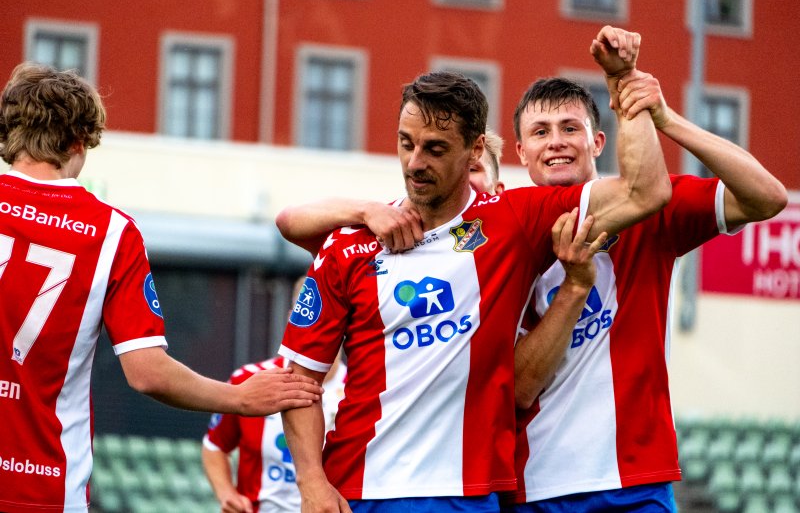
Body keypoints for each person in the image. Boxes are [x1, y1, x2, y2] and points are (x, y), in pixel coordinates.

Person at [277, 27, 671, 513]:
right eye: (406, 144)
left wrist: (621, 82)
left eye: (435, 149)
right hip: (361, 491)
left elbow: (645, 191)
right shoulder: (350, 243)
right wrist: (311, 483)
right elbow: (298, 379)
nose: (414, 163)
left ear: (474, 149)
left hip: (472, 494)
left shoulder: (513, 221)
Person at [0, 63, 322, 513]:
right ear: (78, 141)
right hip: (45, 486)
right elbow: (147, 372)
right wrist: (240, 398)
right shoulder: (111, 231)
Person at [504, 32, 788, 511]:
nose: (556, 143)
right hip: (539, 483)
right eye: (540, 132)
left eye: (570, 128)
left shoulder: (653, 210)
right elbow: (520, 388)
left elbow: (769, 196)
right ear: (520, 152)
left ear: (598, 142)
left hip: (638, 479)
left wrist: (664, 117)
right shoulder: (504, 231)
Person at [202, 277, 347, 513]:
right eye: (314, 313)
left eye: (334, 314)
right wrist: (226, 493)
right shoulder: (248, 380)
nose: (323, 323)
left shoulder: (362, 390)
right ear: (294, 316)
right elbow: (214, 446)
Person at [274, 127, 505, 255]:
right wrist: (366, 211)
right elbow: (288, 221)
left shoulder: (513, 237)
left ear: (498, 190)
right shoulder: (386, 227)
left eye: (473, 169)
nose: (460, 179)